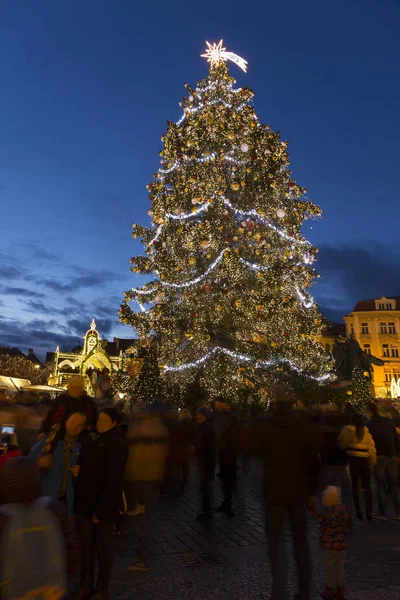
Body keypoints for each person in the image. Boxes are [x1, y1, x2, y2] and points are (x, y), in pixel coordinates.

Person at [254, 388, 320, 600]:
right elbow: (314, 461)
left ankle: (280, 590)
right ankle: (305, 591)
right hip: (298, 492)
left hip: (274, 492)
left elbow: (253, 451)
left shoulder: (266, 426)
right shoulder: (302, 426)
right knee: (301, 543)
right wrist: (311, 488)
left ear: (274, 405)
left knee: (276, 543)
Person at [0, 457, 78, 595]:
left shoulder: (3, 517)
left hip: (14, 592)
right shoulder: (55, 509)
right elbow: (71, 551)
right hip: (52, 590)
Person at [74, 407, 128, 600]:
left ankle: (102, 588)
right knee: (87, 547)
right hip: (85, 504)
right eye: (99, 420)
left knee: (104, 548)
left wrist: (101, 510)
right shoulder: (93, 440)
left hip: (103, 506)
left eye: (105, 420)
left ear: (114, 423)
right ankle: (86, 584)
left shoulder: (117, 444)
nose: (100, 423)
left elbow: (113, 480)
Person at [31, 411, 87, 515]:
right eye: (73, 422)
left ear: (83, 428)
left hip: (68, 499)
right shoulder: (51, 442)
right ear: (66, 422)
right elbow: (29, 461)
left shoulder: (82, 447)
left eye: (79, 425)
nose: (75, 427)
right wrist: (39, 463)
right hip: (46, 496)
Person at [308, 486, 349, 600]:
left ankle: (329, 591)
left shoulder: (326, 515)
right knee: (340, 569)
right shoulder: (343, 513)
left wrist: (310, 506)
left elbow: (316, 517)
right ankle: (340, 591)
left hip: (329, 547)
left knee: (329, 570)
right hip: (341, 547)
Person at [338, 413, 376, 520]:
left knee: (354, 485)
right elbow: (371, 448)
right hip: (365, 459)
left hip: (354, 459)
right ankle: (369, 512)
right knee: (367, 486)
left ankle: (358, 510)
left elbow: (341, 444)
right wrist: (373, 461)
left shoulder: (347, 430)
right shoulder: (366, 432)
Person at [365, 401, 400, 519]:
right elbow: (395, 439)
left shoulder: (369, 424)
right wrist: (395, 453)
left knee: (380, 485)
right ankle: (398, 512)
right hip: (391, 455)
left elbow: (368, 442)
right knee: (394, 485)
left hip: (379, 456)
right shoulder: (388, 422)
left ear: (369, 412)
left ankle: (382, 512)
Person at [319, 405, 352, 523]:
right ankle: (347, 515)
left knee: (328, 489)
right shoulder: (344, 421)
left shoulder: (323, 421)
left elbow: (320, 442)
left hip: (328, 460)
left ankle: (329, 515)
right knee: (346, 489)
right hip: (342, 459)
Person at [213, 397, 238, 516]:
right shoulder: (218, 416)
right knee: (224, 478)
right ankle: (226, 502)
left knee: (227, 478)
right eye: (216, 405)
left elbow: (232, 435)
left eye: (218, 404)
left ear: (224, 404)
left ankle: (228, 502)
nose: (217, 406)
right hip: (223, 451)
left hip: (228, 452)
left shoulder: (230, 417)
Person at [195, 407, 217, 524]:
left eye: (198, 415)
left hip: (206, 463)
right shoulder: (205, 427)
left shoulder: (207, 428)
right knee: (205, 489)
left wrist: (196, 449)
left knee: (206, 489)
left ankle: (207, 514)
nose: (197, 417)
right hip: (205, 462)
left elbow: (207, 446)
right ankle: (207, 512)